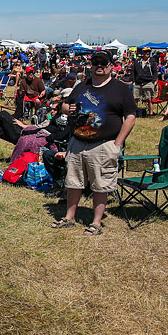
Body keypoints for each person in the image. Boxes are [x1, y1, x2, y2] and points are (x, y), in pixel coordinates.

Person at [51, 50, 137, 236]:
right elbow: (65, 106)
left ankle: (96, 222)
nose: (99, 66)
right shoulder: (83, 85)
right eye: (96, 63)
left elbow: (130, 116)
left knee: (101, 184)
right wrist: (68, 108)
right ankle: (69, 218)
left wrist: (118, 143)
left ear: (111, 66)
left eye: (103, 63)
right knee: (73, 181)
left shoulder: (120, 89)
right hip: (78, 141)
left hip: (103, 144)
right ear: (91, 66)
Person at [131, 48, 158, 113]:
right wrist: (133, 80)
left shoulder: (152, 62)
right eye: (146, 52)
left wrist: (153, 82)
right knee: (135, 98)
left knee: (149, 99)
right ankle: (135, 113)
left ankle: (151, 113)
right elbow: (133, 71)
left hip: (148, 82)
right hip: (137, 83)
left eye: (149, 52)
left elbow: (155, 72)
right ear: (143, 53)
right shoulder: (137, 61)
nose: (147, 53)